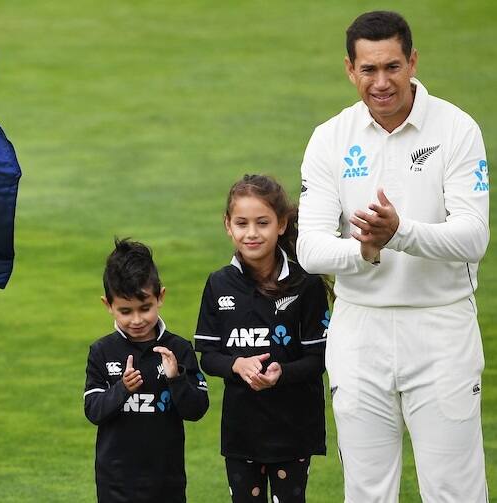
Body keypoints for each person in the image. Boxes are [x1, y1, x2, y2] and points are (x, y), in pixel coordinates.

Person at [297, 10, 489, 502]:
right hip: (360, 329)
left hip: (441, 326)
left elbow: (473, 238)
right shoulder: (330, 138)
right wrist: (365, 249)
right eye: (368, 70)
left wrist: (400, 233)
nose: (381, 82)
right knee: (367, 491)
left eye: (392, 67)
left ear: (412, 62)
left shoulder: (457, 129)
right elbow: (310, 248)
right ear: (349, 69)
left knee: (454, 491)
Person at [194, 174, 329, 503]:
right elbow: (208, 355)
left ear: (281, 224)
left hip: (293, 431)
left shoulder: (305, 284)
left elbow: (318, 359)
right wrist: (238, 365)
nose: (251, 233)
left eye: (262, 223)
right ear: (228, 225)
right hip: (243, 433)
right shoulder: (218, 284)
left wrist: (282, 373)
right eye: (241, 223)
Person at [83, 238, 209, 503]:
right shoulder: (101, 351)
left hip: (167, 480)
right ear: (108, 305)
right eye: (125, 311)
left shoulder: (179, 349)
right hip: (116, 483)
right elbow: (93, 410)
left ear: (160, 297)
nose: (137, 320)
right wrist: (122, 389)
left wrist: (176, 379)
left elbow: (197, 410)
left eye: (145, 308)